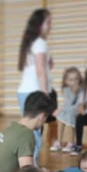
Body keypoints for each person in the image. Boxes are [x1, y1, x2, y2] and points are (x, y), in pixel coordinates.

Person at [17, 9, 56, 162]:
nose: (50, 26)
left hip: (25, 91)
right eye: (48, 22)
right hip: (34, 92)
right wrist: (45, 94)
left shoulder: (32, 42)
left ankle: (28, 165)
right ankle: (31, 167)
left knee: (31, 130)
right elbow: (41, 70)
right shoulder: (40, 43)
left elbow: (45, 66)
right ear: (39, 24)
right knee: (34, 132)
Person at [50, 67, 84, 153]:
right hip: (68, 109)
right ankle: (59, 141)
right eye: (71, 80)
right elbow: (67, 103)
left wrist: (61, 108)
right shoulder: (66, 90)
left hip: (77, 109)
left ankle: (70, 142)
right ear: (66, 81)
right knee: (60, 116)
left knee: (68, 115)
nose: (74, 81)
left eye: (76, 79)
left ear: (79, 79)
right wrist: (61, 109)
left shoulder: (81, 90)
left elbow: (77, 105)